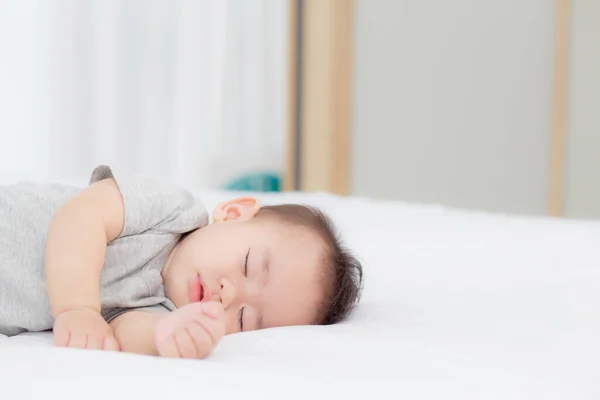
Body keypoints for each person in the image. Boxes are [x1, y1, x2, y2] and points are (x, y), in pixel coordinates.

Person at [0, 165, 363, 359]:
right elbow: (80, 216)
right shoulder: (173, 209)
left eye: (244, 319)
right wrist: (77, 308)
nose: (228, 293)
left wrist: (166, 337)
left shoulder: (164, 310)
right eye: (248, 265)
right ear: (233, 212)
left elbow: (123, 332)